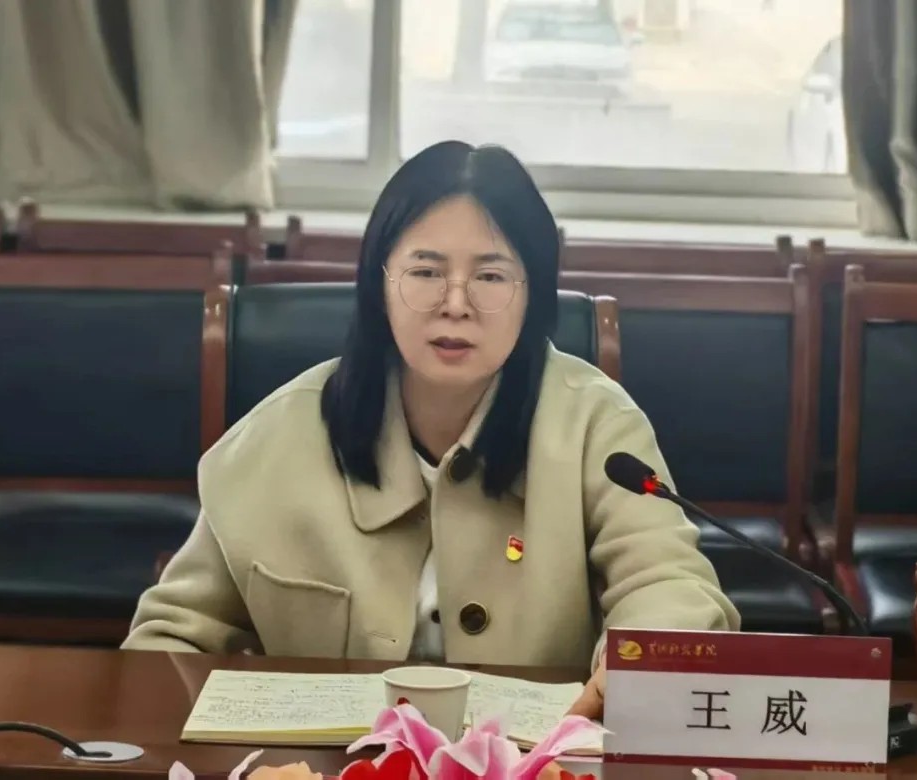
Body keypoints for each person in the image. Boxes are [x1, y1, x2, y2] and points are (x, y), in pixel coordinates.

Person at [122, 140, 741, 719]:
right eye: (425, 272)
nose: (456, 303)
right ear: (379, 284)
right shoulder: (280, 433)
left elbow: (669, 584)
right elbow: (172, 636)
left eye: (491, 277)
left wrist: (632, 667)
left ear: (533, 297)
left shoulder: (596, 424)